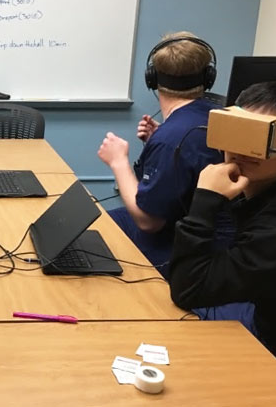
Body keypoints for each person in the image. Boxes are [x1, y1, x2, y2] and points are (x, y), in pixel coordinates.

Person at [169, 81, 276, 405]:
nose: (242, 148)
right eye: (238, 130)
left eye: (262, 138)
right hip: (275, 311)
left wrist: (205, 199)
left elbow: (189, 288)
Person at [97, 32, 226, 277]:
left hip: (178, 250)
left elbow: (149, 222)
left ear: (152, 78)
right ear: (208, 77)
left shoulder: (171, 139)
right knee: (104, 222)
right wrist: (156, 141)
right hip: (213, 239)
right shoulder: (216, 115)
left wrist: (118, 161)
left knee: (95, 238)